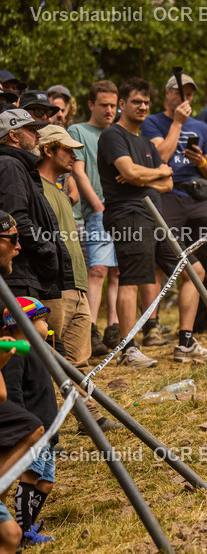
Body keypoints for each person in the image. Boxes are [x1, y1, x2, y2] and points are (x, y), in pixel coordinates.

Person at [98, 77, 207, 366]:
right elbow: (131, 172)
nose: (142, 106)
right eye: (136, 101)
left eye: (146, 102)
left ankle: (185, 342)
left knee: (194, 271)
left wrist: (146, 175)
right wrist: (152, 173)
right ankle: (129, 350)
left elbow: (168, 183)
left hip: (156, 218)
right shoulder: (113, 136)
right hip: (129, 216)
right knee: (132, 279)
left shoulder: (147, 143)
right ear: (122, 104)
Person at [36, 125, 121, 432]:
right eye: (67, 150)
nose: (74, 156)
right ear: (47, 150)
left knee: (78, 360)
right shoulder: (35, 189)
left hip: (77, 284)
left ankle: (89, 418)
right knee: (45, 362)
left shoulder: (60, 191)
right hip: (54, 288)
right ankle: (40, 430)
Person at [143, 72, 207, 328]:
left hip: (197, 197)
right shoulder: (152, 122)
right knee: (159, 261)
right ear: (168, 94)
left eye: (189, 94)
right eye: (180, 93)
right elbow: (159, 158)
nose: (185, 99)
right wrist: (177, 123)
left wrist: (201, 161)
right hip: (166, 195)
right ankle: (151, 326)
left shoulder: (202, 127)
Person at [67, 81, 120, 355]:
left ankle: (115, 328)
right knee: (97, 270)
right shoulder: (77, 130)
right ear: (91, 104)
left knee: (118, 271)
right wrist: (98, 206)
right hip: (97, 211)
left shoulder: (119, 132)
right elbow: (78, 171)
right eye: (103, 105)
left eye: (113, 105)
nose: (109, 110)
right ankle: (90, 330)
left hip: (122, 210)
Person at [0, 109, 73, 303]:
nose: (38, 136)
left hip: (23, 275)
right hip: (19, 276)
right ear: (14, 136)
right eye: (31, 130)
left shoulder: (17, 166)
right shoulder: (11, 165)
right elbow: (16, 219)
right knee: (24, 325)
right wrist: (47, 250)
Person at [1, 296, 58, 547]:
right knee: (30, 475)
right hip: (33, 429)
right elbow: (11, 393)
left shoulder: (41, 351)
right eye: (43, 320)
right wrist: (24, 426)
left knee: (46, 482)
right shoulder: (17, 354)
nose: (47, 325)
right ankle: (23, 532)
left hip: (49, 430)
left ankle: (28, 526)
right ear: (23, 324)